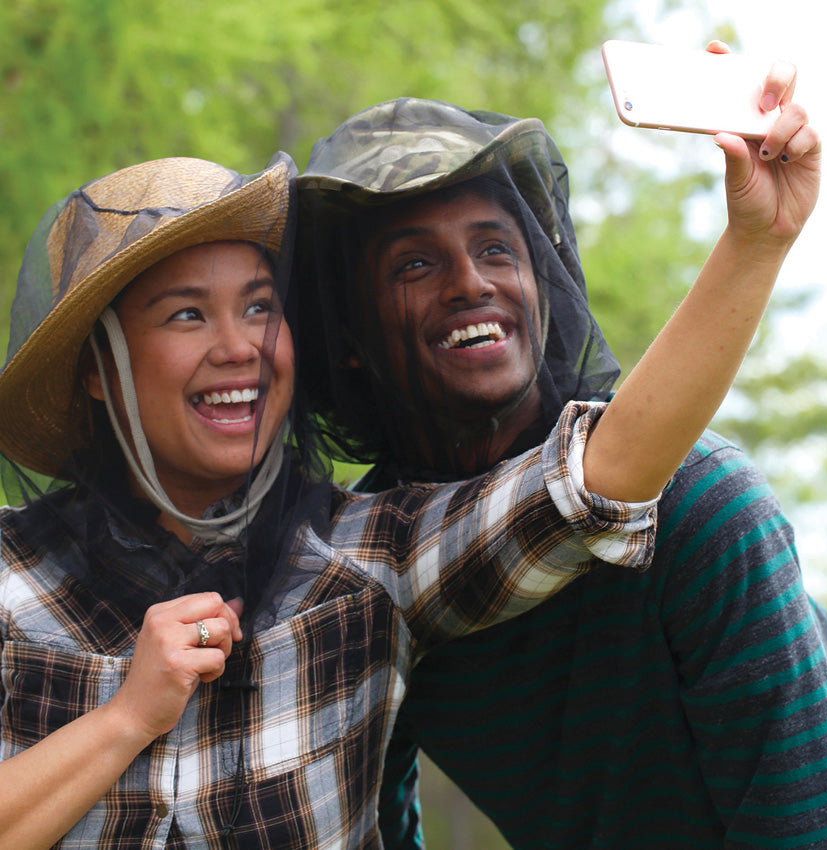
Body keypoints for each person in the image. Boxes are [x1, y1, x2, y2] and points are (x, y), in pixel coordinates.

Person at [0, 146, 761, 847]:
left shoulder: (370, 557)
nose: (239, 348)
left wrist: (756, 242)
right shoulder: (13, 574)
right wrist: (127, 718)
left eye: (261, 307)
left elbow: (599, 477)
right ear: (99, 370)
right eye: (187, 314)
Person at [296, 57, 827, 849]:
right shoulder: (362, 575)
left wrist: (757, 241)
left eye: (495, 249)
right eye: (415, 264)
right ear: (348, 340)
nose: (470, 282)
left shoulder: (701, 507)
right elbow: (366, 822)